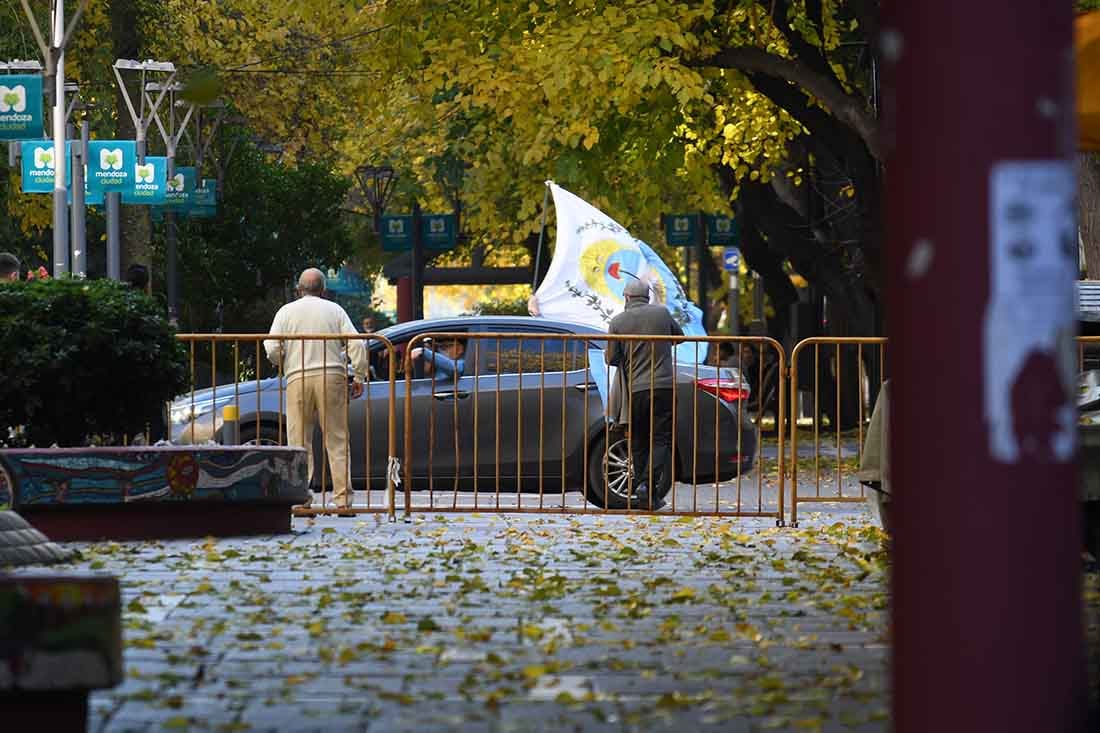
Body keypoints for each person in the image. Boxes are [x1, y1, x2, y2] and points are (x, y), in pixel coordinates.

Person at [264, 268, 369, 514]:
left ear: (299, 290)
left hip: (297, 376)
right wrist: (360, 375)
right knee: (337, 439)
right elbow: (357, 344)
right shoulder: (335, 310)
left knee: (299, 441)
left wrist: (283, 360)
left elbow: (270, 346)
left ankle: (301, 498)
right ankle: (343, 501)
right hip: (331, 375)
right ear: (323, 290)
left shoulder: (286, 312)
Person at [606, 279, 684, 510]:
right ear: (647, 297)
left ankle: (644, 492)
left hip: (636, 390)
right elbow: (679, 337)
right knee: (660, 439)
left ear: (627, 297)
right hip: (663, 387)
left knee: (639, 440)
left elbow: (612, 359)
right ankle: (647, 488)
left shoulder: (618, 321)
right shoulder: (661, 313)